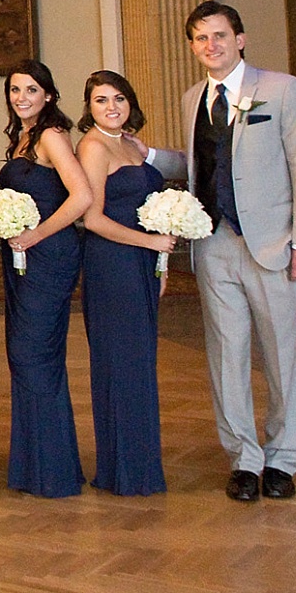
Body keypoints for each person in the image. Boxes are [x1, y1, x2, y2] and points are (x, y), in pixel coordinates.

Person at [181, 1, 296, 502]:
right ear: (193, 47)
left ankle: (283, 458)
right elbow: (198, 162)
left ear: (240, 39)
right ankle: (244, 458)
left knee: (281, 355)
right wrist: (147, 156)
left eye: (220, 36)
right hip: (214, 244)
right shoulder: (191, 99)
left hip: (274, 244)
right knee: (226, 355)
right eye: (202, 39)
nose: (212, 46)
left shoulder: (282, 90)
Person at [76, 69, 179, 497]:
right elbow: (91, 217)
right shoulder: (93, 146)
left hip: (141, 263)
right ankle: (124, 470)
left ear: (130, 103)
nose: (112, 107)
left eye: (118, 98)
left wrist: (160, 263)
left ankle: (138, 464)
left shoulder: (129, 144)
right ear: (90, 108)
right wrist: (151, 242)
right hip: (111, 265)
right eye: (101, 100)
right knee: (121, 366)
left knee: (139, 366)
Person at [0, 60, 92, 498]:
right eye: (15, 90)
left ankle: (53, 471)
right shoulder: (22, 138)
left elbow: (82, 197)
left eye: (31, 90)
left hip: (49, 257)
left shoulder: (51, 136)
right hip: (24, 259)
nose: (22, 98)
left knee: (33, 353)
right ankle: (36, 464)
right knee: (26, 355)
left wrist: (35, 234)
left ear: (48, 95)